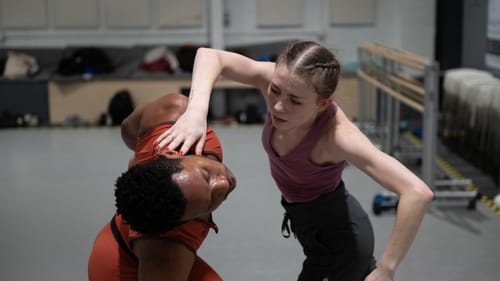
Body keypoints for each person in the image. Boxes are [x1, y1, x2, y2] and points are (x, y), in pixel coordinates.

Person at [154, 41, 434, 281]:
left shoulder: (339, 136)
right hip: (310, 232)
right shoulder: (278, 81)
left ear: (322, 103)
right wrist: (196, 112)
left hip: (340, 240)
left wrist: (387, 269)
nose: (278, 106)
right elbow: (209, 55)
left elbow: (417, 192)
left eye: (295, 101)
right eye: (274, 90)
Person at [88, 93, 236, 281]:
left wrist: (143, 154)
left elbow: (128, 127)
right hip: (117, 270)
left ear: (172, 154)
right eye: (211, 202)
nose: (224, 184)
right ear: (181, 221)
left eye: (206, 175)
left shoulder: (170, 114)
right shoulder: (167, 251)